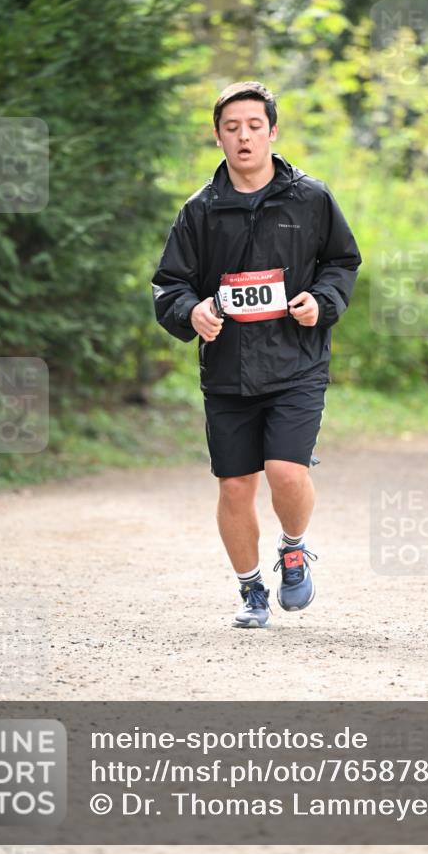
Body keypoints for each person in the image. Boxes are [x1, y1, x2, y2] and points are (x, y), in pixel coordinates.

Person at [152, 81, 362, 628]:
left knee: (286, 472)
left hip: (297, 362)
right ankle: (250, 590)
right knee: (236, 484)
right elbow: (170, 284)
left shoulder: (311, 198)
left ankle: (294, 548)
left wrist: (323, 300)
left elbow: (343, 262)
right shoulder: (199, 211)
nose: (243, 137)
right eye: (231, 128)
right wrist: (190, 311)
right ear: (218, 137)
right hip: (228, 370)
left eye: (253, 126)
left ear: (272, 131)